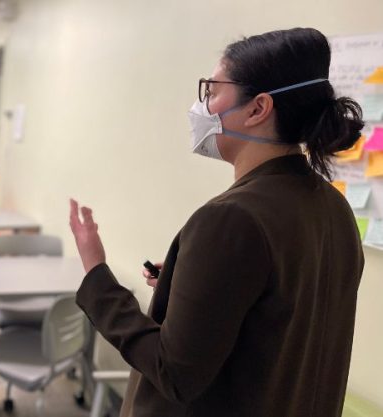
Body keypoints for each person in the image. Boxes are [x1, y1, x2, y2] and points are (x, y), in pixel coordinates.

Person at [70, 28, 365, 417]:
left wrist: (97, 276)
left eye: (211, 92)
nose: (201, 107)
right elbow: (276, 315)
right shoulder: (333, 208)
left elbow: (174, 373)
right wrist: (189, 281)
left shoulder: (232, 218)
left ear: (258, 109)